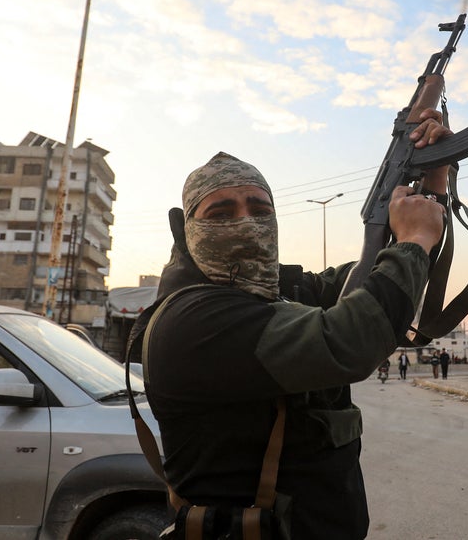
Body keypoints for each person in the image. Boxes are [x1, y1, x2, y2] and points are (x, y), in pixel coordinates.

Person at [142, 114, 449, 540]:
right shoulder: (193, 321)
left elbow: (385, 284)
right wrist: (413, 240)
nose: (247, 221)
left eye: (260, 208)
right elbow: (352, 340)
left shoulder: (281, 292)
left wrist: (433, 180)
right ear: (187, 229)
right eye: (222, 211)